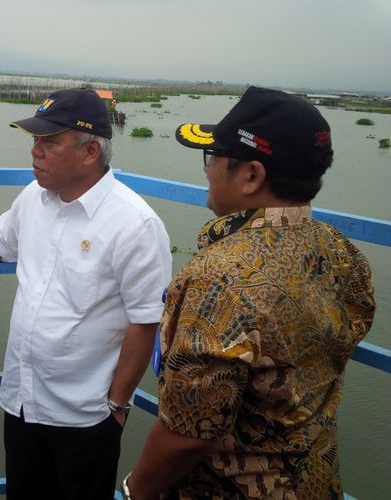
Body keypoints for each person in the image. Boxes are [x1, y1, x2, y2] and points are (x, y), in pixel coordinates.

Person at [121, 87, 376, 499]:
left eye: (213, 158)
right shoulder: (341, 250)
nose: (207, 171)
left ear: (252, 175)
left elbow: (189, 434)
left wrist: (137, 490)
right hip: (317, 478)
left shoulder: (218, 275)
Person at [0, 88, 172, 499]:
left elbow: (145, 321)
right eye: (34, 141)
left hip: (86, 415)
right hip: (23, 399)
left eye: (49, 142)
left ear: (90, 151)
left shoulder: (134, 224)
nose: (35, 153)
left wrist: (116, 408)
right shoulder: (34, 198)